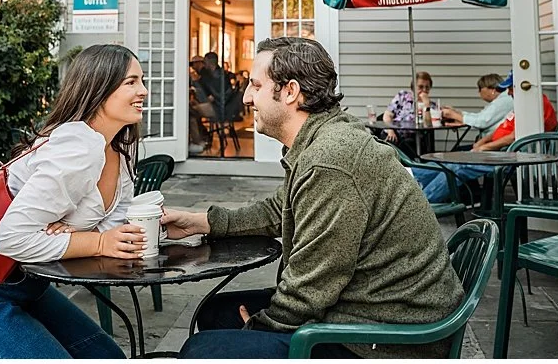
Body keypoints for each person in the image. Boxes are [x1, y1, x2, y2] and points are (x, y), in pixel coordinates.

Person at [163, 37, 462, 358]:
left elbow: (311, 286)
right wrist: (201, 222)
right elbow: (281, 210)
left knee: (202, 351)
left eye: (256, 85)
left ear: (290, 92)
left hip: (388, 336)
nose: (248, 97)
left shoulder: (330, 159)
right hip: (363, 306)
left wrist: (260, 328)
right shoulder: (325, 135)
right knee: (216, 313)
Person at [0, 44, 147, 358]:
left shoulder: (115, 155)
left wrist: (160, 224)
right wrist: (98, 242)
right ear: (98, 87)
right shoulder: (79, 145)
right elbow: (11, 239)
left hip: (25, 287)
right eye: (130, 82)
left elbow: (115, 231)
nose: (143, 90)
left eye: (142, 80)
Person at [411, 74, 513, 203]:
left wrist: (484, 146)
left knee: (455, 165)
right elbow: (498, 128)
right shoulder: (509, 101)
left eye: (510, 88)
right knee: (448, 160)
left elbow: (482, 121)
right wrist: (482, 142)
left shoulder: (506, 100)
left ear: (490, 89)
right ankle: (411, 179)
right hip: (491, 147)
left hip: (501, 153)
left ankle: (421, 201)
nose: (508, 92)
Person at [379, 71, 441, 155]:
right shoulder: (403, 96)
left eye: (427, 87)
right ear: (413, 87)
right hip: (394, 133)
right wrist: (390, 130)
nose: (424, 90)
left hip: (414, 139)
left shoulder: (432, 106)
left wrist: (426, 104)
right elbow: (387, 114)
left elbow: (429, 125)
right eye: (420, 87)